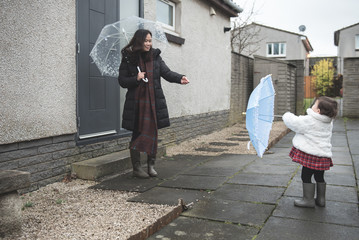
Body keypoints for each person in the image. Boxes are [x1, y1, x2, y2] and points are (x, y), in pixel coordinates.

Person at [118, 29, 189, 178]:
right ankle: (137, 168)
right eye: (146, 41)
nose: (149, 43)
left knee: (153, 133)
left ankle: (151, 165)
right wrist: (136, 78)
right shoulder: (129, 58)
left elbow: (167, 73)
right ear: (139, 41)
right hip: (137, 103)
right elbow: (122, 81)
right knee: (137, 133)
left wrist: (179, 78)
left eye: (150, 41)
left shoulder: (155, 56)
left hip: (153, 101)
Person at [282, 96, 338, 208]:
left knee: (306, 176)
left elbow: (295, 123)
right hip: (323, 156)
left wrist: (286, 115)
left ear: (318, 111)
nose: (312, 105)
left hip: (311, 155)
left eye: (314, 104)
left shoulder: (310, 121)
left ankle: (308, 200)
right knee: (319, 177)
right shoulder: (328, 122)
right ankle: (321, 200)